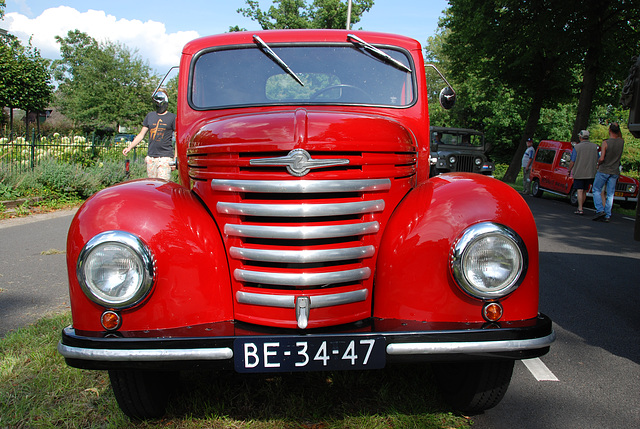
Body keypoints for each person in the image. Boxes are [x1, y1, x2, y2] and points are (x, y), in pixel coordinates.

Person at [123, 89, 177, 180]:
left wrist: (175, 159)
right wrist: (130, 147)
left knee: (162, 186)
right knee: (152, 185)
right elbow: (141, 135)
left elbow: (177, 139)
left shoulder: (172, 117)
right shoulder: (150, 116)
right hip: (151, 157)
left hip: (165, 158)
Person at [592, 123, 625, 222]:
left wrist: (598, 163)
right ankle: (608, 214)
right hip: (614, 170)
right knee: (610, 194)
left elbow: (602, 158)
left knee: (596, 189)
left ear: (609, 130)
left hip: (604, 169)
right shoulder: (621, 142)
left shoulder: (606, 143)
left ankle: (600, 210)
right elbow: (620, 136)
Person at [567, 130, 598, 215]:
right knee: (584, 190)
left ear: (580, 137)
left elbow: (572, 161)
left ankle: (580, 208)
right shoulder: (594, 147)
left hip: (579, 172)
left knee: (579, 190)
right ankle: (581, 206)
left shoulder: (577, 147)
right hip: (590, 172)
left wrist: (569, 170)